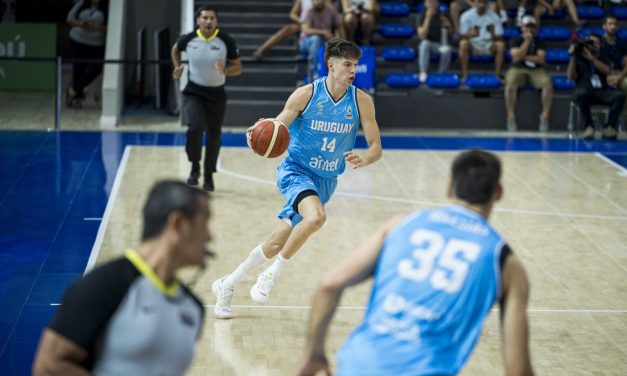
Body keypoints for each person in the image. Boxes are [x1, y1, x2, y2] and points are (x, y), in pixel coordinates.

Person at [296, 149, 534, 376]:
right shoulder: (506, 264)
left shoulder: (401, 224)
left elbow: (329, 284)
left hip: (357, 365)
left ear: (449, 188)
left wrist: (313, 354)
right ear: (498, 193)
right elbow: (517, 371)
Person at [212, 38, 382, 319]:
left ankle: (227, 284)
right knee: (316, 218)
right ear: (331, 65)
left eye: (355, 65)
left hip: (326, 180)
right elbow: (278, 126)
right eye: (347, 64)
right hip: (296, 171)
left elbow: (376, 148)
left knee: (277, 242)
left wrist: (366, 157)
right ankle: (271, 275)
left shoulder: (362, 101)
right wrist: (258, 131)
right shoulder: (305, 94)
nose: (353, 70)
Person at [32, 180, 212, 375]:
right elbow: (48, 366)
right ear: (178, 224)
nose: (210, 237)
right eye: (205, 223)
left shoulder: (192, 308)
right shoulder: (102, 285)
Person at [171, 5, 243, 192]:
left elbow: (238, 67)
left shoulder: (225, 40)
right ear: (198, 21)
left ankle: (209, 175)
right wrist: (177, 67)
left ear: (216, 21)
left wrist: (225, 71)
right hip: (194, 92)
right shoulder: (189, 39)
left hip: (216, 94)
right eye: (205, 18)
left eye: (212, 18)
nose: (208, 21)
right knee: (195, 128)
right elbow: (175, 49)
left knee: (214, 134)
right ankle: (195, 167)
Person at [567, 33, 625, 140]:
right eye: (591, 42)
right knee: (581, 94)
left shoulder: (603, 57)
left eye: (596, 43)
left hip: (601, 91)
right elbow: (570, 76)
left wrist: (592, 59)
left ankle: (609, 127)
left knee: (619, 95)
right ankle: (589, 126)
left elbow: (608, 71)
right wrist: (573, 57)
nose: (593, 45)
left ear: (601, 45)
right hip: (584, 90)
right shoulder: (578, 58)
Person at [505, 15, 553, 132]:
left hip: (536, 70)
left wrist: (523, 56)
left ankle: (544, 116)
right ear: (522, 27)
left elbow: (541, 59)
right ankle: (511, 116)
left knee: (547, 85)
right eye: (527, 26)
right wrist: (527, 42)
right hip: (517, 68)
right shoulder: (515, 40)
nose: (530, 29)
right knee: (510, 85)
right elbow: (515, 58)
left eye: (532, 26)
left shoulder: (540, 41)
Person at [65, 0, 108, 108]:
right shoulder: (82, 4)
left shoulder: (107, 8)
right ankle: (76, 99)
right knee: (78, 68)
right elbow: (69, 19)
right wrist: (81, 24)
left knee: (97, 67)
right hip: (77, 40)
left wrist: (96, 27)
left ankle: (73, 90)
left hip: (96, 43)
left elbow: (110, 27)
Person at [458, 0, 506, 83]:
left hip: (489, 44)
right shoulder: (466, 15)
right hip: (473, 45)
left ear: (487, 4)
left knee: (500, 45)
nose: (481, 5)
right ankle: (465, 75)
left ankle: (497, 75)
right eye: (479, 2)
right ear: (475, 3)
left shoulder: (494, 16)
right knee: (463, 44)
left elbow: (500, 36)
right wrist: (470, 34)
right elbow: (461, 35)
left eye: (484, 2)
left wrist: (493, 34)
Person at [300, 0, 344, 82]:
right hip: (307, 42)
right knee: (316, 39)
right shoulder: (308, 11)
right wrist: (323, 32)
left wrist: (341, 40)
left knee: (333, 43)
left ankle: (334, 77)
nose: (318, 1)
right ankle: (313, 73)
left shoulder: (331, 10)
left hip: (325, 40)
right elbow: (306, 31)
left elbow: (339, 26)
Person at [417, 0, 454, 82]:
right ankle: (423, 72)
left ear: (437, 3)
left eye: (433, 2)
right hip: (429, 43)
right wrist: (428, 18)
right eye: (429, 2)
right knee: (424, 44)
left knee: (447, 50)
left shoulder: (443, 14)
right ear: (425, 4)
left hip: (441, 43)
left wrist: (448, 26)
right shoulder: (422, 15)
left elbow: (452, 34)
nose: (431, 4)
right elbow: (422, 35)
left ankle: (441, 75)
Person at [602, 16, 627, 128]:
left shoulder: (622, 43)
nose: (612, 26)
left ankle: (623, 117)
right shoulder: (598, 42)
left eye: (615, 24)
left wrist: (619, 77)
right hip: (601, 74)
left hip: (618, 74)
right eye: (610, 24)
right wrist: (606, 76)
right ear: (604, 26)